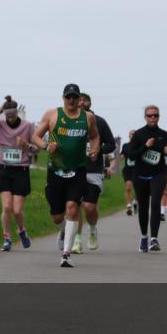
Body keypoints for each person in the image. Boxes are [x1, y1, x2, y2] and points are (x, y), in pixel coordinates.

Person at [29, 84, 100, 268]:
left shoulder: (88, 117)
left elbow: (95, 137)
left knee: (73, 208)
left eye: (74, 97)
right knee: (57, 217)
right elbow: (35, 136)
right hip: (56, 171)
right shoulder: (53, 115)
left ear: (80, 100)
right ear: (63, 98)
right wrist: (45, 145)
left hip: (78, 170)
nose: (71, 100)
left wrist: (94, 149)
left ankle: (66, 254)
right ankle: (64, 231)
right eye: (68, 97)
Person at [0, 95, 37, 251]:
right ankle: (7, 238)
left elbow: (37, 148)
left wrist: (26, 145)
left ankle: (21, 230)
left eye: (13, 114)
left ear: (17, 113)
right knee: (6, 207)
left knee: (17, 210)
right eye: (7, 115)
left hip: (21, 170)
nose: (11, 118)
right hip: (4, 169)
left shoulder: (27, 126)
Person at [72, 93, 116, 253]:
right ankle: (76, 240)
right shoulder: (69, 120)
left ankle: (92, 230)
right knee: (74, 207)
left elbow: (111, 145)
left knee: (89, 206)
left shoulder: (100, 122)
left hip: (93, 170)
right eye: (80, 100)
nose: (82, 102)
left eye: (85, 100)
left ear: (90, 103)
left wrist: (98, 149)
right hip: (73, 170)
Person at [126, 105, 167, 253]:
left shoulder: (163, 134)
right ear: (145, 117)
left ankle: (154, 239)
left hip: (158, 174)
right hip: (140, 175)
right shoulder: (139, 134)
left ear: (159, 116)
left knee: (155, 203)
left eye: (155, 115)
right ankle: (144, 236)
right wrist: (145, 146)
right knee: (143, 207)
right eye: (150, 115)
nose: (153, 118)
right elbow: (131, 155)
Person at [119, 130, 137, 215]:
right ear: (128, 135)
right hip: (127, 170)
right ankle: (129, 206)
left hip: (137, 170)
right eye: (131, 134)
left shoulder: (139, 145)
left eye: (134, 134)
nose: (132, 135)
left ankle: (135, 202)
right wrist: (121, 157)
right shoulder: (125, 145)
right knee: (128, 187)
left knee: (138, 189)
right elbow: (122, 155)